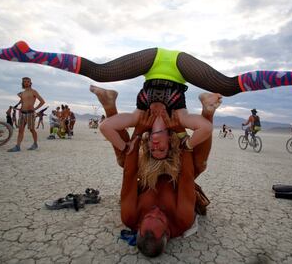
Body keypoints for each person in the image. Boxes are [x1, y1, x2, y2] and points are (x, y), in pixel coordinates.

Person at [91, 86, 220, 257]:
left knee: (123, 161)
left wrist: (138, 132)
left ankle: (109, 104)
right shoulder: (183, 219)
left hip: (149, 172)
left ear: (138, 228)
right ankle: (208, 110)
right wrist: (181, 134)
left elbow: (129, 174)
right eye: (159, 218)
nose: (156, 211)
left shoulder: (129, 216)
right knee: (200, 165)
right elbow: (187, 176)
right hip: (177, 176)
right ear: (167, 232)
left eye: (148, 216)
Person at [0, 41, 292, 98]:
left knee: (99, 73)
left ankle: (30, 54)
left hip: (156, 60)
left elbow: (117, 126)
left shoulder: (145, 117)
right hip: (175, 62)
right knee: (227, 87)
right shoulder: (178, 120)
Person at [94, 84, 214, 153]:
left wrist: (125, 148)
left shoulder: (139, 117)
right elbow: (207, 128)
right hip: (173, 98)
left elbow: (105, 127)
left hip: (146, 97)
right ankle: (206, 105)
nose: (156, 147)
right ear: (169, 141)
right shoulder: (177, 119)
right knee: (197, 122)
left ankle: (108, 99)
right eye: (162, 149)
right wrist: (187, 144)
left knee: (106, 125)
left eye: (152, 150)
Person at [7, 77, 45, 152]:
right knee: (20, 130)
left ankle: (35, 144)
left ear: (30, 83)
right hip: (22, 113)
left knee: (32, 129)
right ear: (23, 83)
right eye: (25, 82)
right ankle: (17, 146)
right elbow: (22, 102)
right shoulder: (23, 93)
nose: (26, 83)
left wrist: (35, 108)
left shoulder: (34, 91)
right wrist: (16, 107)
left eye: (28, 81)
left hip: (30, 113)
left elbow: (42, 101)